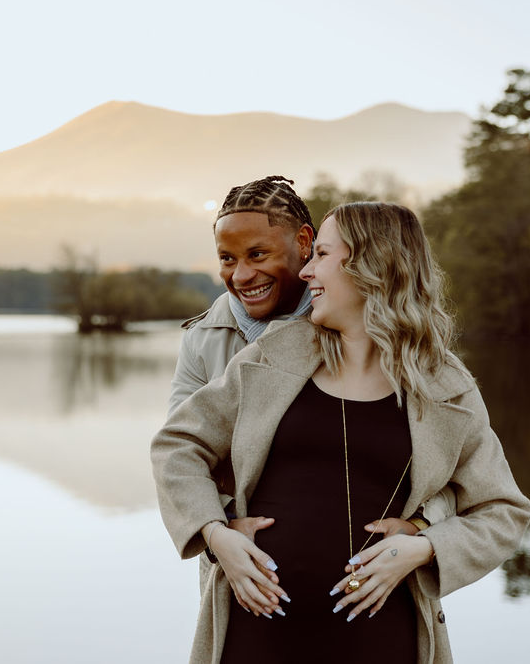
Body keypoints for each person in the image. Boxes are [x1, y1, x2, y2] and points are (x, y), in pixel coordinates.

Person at [152, 202, 530, 663]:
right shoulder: (273, 356)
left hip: (383, 643)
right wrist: (216, 535)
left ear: (370, 265)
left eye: (322, 255)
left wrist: (424, 548)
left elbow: (502, 511)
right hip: (254, 640)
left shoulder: (444, 386)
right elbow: (178, 445)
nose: (306, 271)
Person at [171, 178, 453, 592]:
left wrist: (422, 525)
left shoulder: (365, 327)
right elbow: (180, 453)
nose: (242, 275)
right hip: (245, 585)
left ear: (304, 242)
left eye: (258, 254)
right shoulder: (202, 340)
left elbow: (450, 470)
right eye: (227, 259)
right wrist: (221, 527)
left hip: (378, 592)